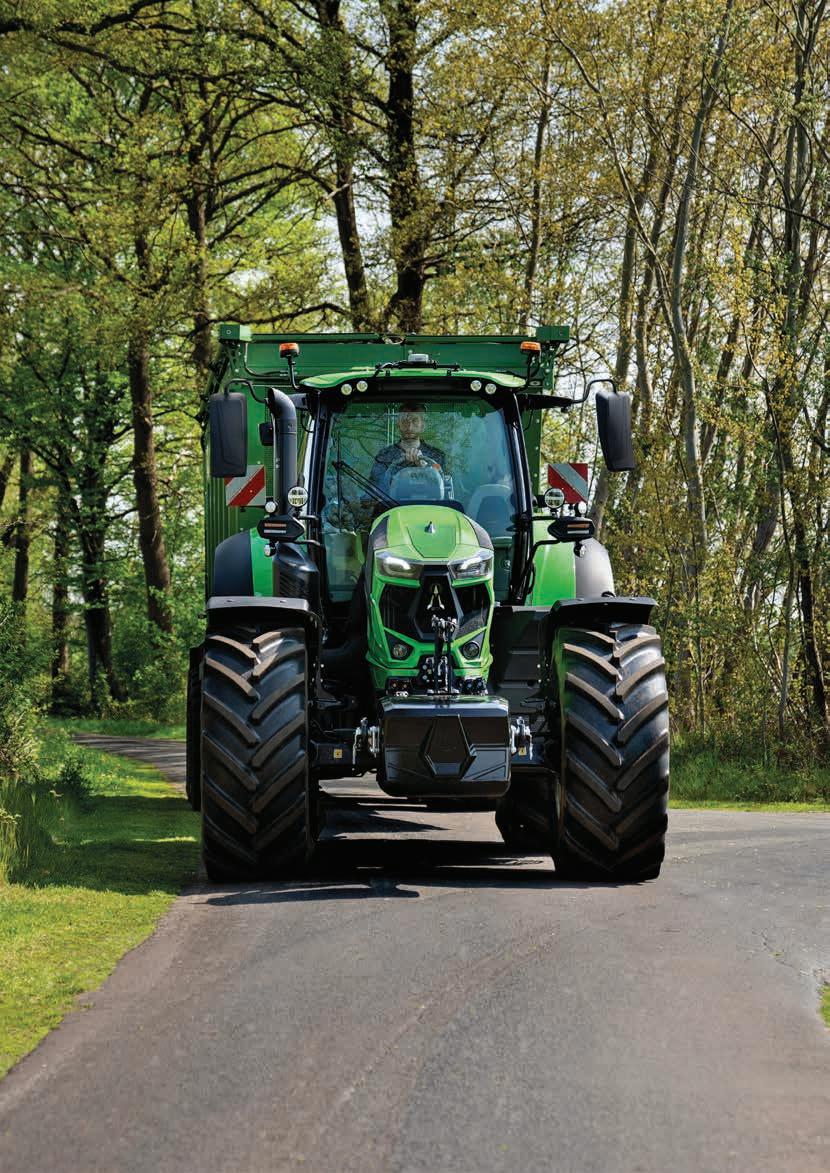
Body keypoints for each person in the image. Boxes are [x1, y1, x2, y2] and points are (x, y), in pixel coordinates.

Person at [368, 401, 447, 497]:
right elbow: (374, 492)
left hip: (430, 506)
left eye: (415, 421)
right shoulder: (384, 456)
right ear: (398, 424)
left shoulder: (437, 456)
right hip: (391, 505)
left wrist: (426, 468)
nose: (409, 427)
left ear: (422, 426)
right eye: (405, 421)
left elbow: (444, 486)